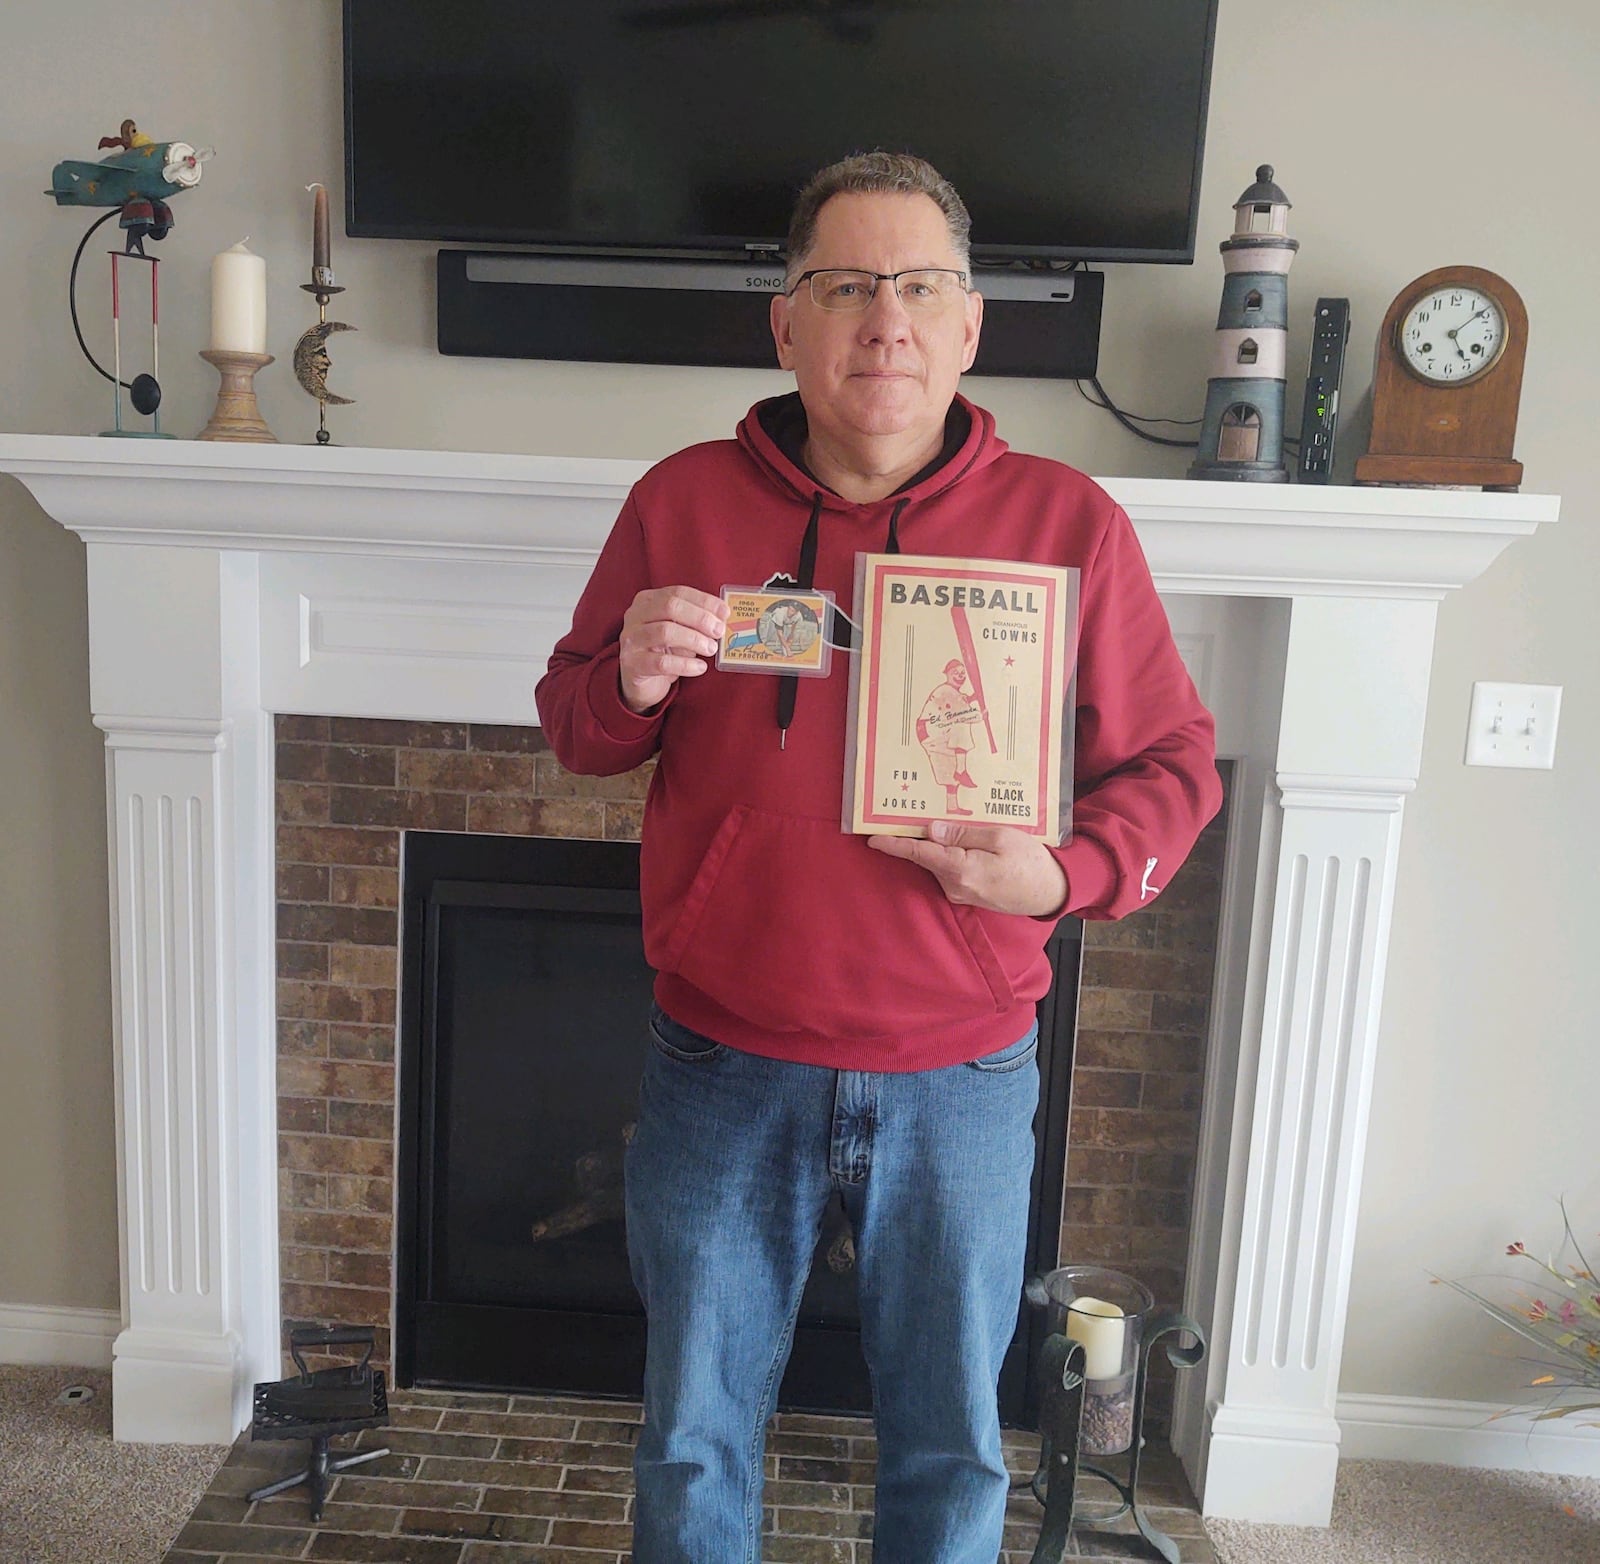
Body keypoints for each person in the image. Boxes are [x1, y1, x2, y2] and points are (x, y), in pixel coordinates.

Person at [535, 151, 1222, 1564]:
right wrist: (635, 676)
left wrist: (1063, 878)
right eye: (846, 286)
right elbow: (577, 728)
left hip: (961, 1072)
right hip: (721, 1061)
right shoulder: (681, 501)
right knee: (690, 1438)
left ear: (971, 326)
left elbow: (1174, 769)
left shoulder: (1070, 527)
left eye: (918, 287)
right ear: (786, 323)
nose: (884, 321)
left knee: (952, 1451)